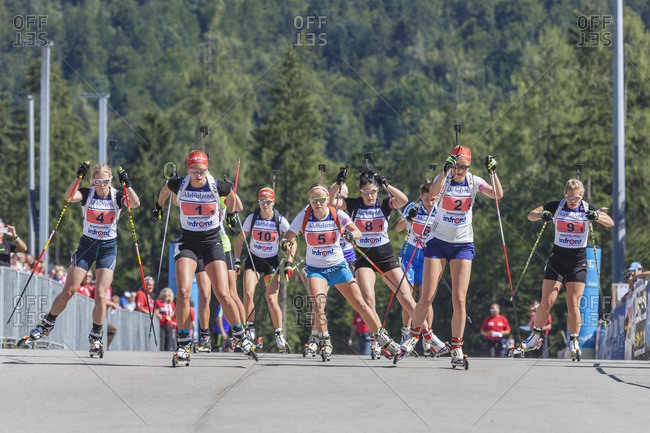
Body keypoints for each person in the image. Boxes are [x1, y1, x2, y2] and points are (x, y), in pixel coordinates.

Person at [23, 162, 139, 356]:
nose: (101, 185)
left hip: (107, 248)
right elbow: (68, 197)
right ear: (93, 180)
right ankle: (47, 323)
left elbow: (135, 204)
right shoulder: (88, 193)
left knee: (101, 295)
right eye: (97, 181)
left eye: (105, 181)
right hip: (86, 246)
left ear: (110, 180)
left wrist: (128, 185)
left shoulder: (117, 195)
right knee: (69, 290)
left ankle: (95, 336)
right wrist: (78, 178)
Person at [154, 150, 256, 363]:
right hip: (188, 242)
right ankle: (183, 343)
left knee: (223, 293)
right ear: (187, 169)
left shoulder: (216, 185)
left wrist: (230, 214)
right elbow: (164, 190)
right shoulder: (179, 184)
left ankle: (241, 335)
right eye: (193, 170)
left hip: (212, 243)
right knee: (182, 291)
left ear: (207, 169)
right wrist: (158, 207)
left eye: (201, 170)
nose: (198, 174)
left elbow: (233, 198)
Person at [280, 183, 402, 362]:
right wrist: (285, 243)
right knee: (317, 305)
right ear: (310, 201)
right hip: (316, 269)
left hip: (339, 267)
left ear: (327, 199)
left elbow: (357, 231)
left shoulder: (337, 214)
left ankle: (383, 338)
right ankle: (325, 340)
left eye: (321, 199)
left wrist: (351, 235)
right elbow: (288, 237)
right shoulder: (303, 217)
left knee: (361, 305)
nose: (318, 203)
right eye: (314, 200)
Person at [407, 148, 503, 367]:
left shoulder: (473, 181)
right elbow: (432, 193)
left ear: (469, 167)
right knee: (427, 295)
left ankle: (457, 346)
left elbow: (498, 195)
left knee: (459, 299)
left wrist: (493, 173)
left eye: (464, 166)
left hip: (462, 244)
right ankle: (413, 336)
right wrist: (444, 171)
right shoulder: (446, 179)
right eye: (457, 166)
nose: (460, 171)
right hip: (438, 242)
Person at [330, 167, 435, 358]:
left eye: (373, 192)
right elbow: (330, 202)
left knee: (407, 299)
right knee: (368, 300)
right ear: (360, 192)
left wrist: (386, 184)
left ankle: (428, 336)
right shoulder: (353, 204)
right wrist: (339, 183)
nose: (369, 196)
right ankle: (377, 339)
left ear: (377, 191)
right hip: (364, 259)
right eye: (365, 192)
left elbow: (402, 200)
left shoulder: (384, 203)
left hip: (386, 257)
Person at [520, 179, 613, 360]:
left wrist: (596, 216)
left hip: (578, 261)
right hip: (557, 259)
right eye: (569, 197)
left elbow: (610, 222)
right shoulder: (557, 206)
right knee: (547, 301)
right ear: (565, 195)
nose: (572, 201)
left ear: (582, 196)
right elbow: (531, 215)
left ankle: (574, 340)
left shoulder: (587, 207)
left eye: (576, 198)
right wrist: (542, 215)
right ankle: (535, 335)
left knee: (574, 304)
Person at [234, 187, 296, 353]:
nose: (265, 205)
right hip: (253, 260)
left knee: (272, 299)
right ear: (259, 202)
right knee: (248, 293)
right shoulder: (252, 218)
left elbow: (293, 241)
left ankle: (279, 335)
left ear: (273, 202)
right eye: (262, 201)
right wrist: (237, 261)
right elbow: (240, 241)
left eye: (268, 201)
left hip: (271, 262)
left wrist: (289, 261)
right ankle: (250, 329)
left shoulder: (280, 220)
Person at [395, 179, 438, 355]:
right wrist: (408, 217)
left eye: (433, 199)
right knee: (409, 295)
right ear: (421, 197)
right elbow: (398, 228)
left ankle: (427, 338)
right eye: (427, 199)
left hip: (429, 256)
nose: (430, 203)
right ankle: (406, 332)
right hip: (410, 256)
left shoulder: (440, 208)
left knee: (426, 297)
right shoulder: (413, 206)